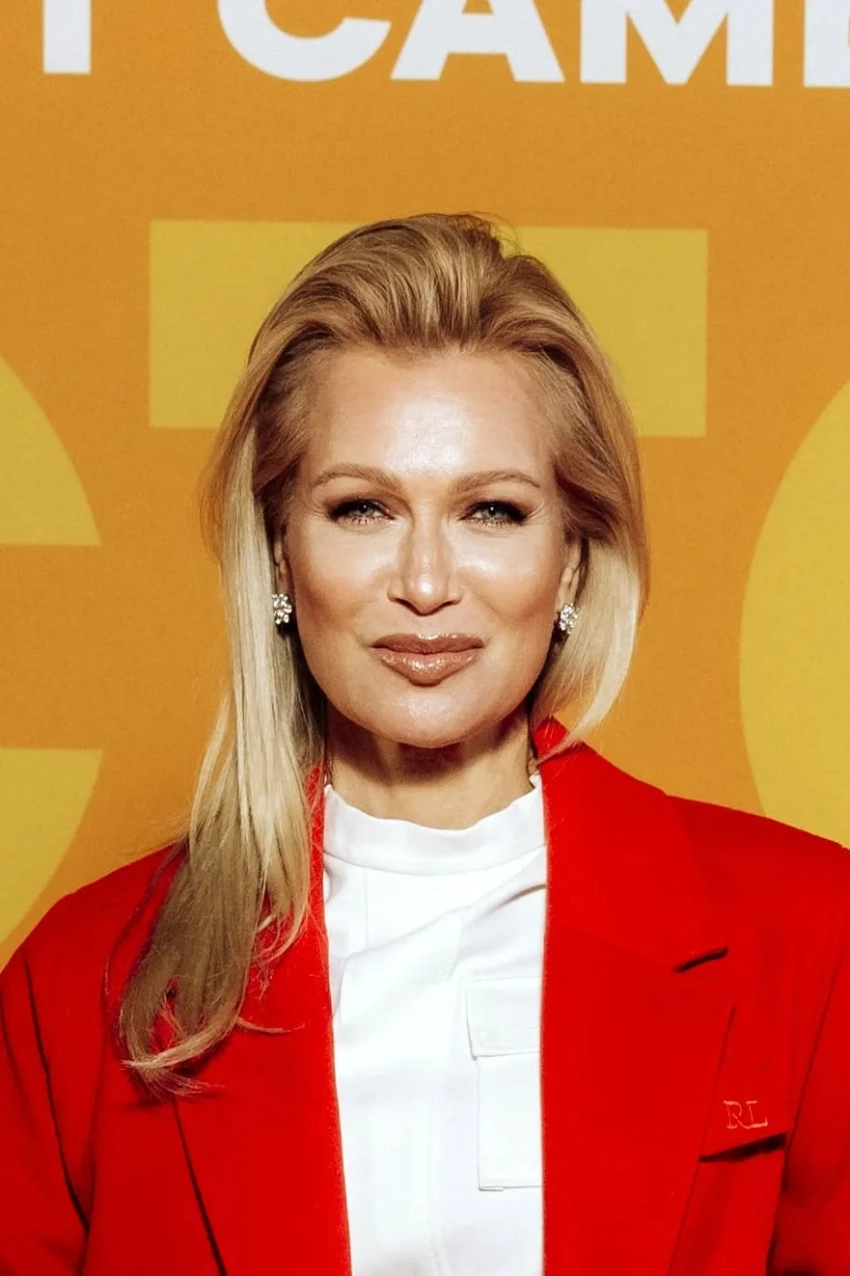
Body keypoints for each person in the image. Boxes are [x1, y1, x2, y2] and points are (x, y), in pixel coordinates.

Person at [1, 212, 848, 1276]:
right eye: (363, 508)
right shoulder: (80, 983)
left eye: (491, 511)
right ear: (278, 552)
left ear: (572, 558)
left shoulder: (807, 937)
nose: (427, 583)